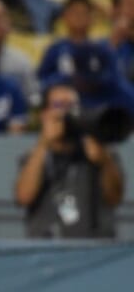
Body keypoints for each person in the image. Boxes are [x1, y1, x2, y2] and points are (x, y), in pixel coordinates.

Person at [15, 82, 125, 238]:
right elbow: (24, 197)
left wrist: (104, 161)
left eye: (73, 105)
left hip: (95, 250)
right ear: (44, 114)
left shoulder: (101, 151)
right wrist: (43, 144)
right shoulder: (33, 156)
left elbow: (115, 198)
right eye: (59, 105)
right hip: (47, 253)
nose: (67, 113)